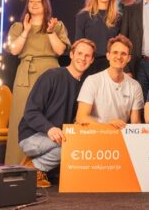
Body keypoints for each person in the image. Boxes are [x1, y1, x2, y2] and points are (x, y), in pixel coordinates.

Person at [18, 39, 96, 188]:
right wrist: (49, 128)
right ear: (71, 55)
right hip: (31, 135)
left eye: (87, 56)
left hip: (57, 138)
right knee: (70, 147)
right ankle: (33, 168)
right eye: (79, 53)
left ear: (92, 60)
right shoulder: (51, 76)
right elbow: (31, 111)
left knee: (80, 146)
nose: (83, 58)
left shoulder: (86, 86)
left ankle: (34, 165)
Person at [5, 0, 70, 165]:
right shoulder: (18, 27)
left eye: (38, 1)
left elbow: (60, 50)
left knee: (49, 115)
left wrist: (50, 31)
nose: (33, 4)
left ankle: (42, 166)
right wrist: (26, 31)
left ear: (45, 5)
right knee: (21, 115)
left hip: (50, 72)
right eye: (31, 1)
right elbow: (14, 50)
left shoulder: (56, 25)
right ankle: (16, 164)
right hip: (26, 73)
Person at [75, 35, 143, 128]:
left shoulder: (135, 86)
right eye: (115, 52)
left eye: (123, 54)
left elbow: (136, 123)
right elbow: (81, 117)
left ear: (129, 58)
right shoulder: (92, 81)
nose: (119, 57)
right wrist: (108, 126)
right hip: (95, 133)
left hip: (121, 134)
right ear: (108, 56)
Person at [75, 0, 121, 76]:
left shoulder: (118, 17)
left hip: (112, 65)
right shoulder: (83, 15)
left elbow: (121, 45)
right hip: (89, 65)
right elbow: (78, 44)